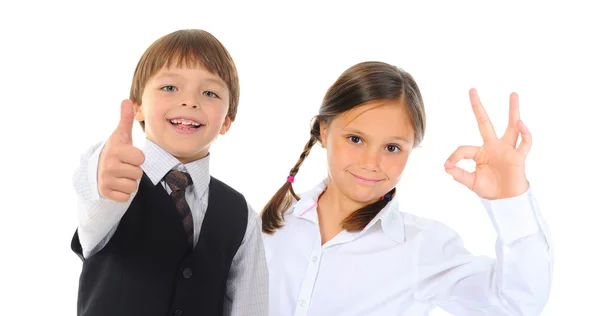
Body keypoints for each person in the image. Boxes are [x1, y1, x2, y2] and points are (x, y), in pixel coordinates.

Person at [261, 61, 553, 315]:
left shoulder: (422, 248)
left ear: (412, 148)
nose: (371, 162)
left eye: (392, 147)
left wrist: (511, 200)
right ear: (324, 131)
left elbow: (516, 305)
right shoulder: (269, 227)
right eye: (355, 139)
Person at [70, 29, 268, 316]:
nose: (190, 101)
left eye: (210, 92)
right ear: (137, 106)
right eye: (170, 88)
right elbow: (94, 211)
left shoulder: (242, 216)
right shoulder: (114, 177)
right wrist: (101, 174)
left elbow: (251, 308)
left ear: (227, 120)